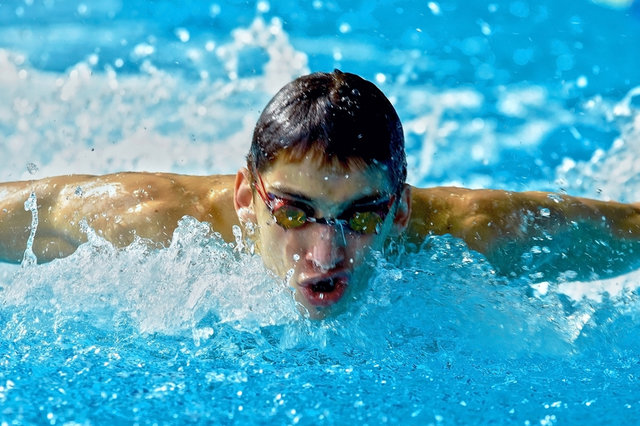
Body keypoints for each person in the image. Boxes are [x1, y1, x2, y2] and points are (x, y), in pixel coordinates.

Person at [1, 70, 640, 318]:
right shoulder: (159, 224)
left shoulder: (462, 235)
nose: (324, 251)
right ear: (248, 197)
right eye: (293, 211)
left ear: (401, 210)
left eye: (361, 216)